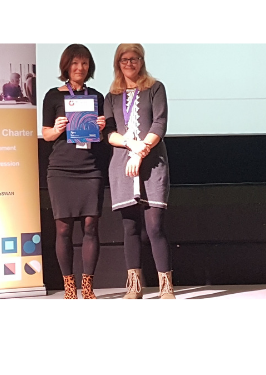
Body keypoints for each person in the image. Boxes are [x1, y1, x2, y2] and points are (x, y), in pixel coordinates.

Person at [104, 43, 175, 299]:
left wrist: (140, 150)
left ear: (142, 61)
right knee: (130, 228)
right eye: (124, 59)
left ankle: (166, 286)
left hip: (152, 163)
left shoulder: (155, 88)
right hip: (123, 166)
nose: (129, 63)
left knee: (154, 227)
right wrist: (129, 144)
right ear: (118, 63)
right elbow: (109, 132)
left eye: (134, 58)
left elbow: (160, 123)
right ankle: (134, 286)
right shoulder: (111, 96)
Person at [42, 44, 106, 299]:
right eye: (75, 63)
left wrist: (101, 127)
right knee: (63, 229)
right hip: (61, 169)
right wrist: (57, 129)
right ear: (66, 66)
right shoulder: (53, 96)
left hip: (90, 168)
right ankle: (69, 287)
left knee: (91, 227)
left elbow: (102, 137)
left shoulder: (97, 97)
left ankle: (87, 287)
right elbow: (46, 134)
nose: (80, 68)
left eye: (85, 63)